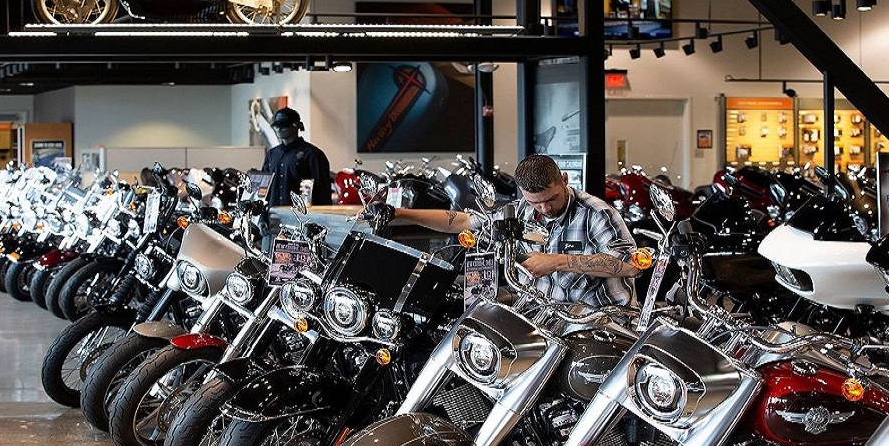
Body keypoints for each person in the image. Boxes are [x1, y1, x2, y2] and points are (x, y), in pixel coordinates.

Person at [368, 153, 640, 307]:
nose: (544, 208)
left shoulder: (596, 213)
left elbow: (630, 265)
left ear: (565, 180)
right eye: (535, 202)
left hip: (599, 322)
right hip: (546, 317)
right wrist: (399, 213)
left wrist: (558, 262)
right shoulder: (520, 211)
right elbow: (462, 221)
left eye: (551, 199)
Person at [261, 107, 333, 207]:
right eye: (277, 126)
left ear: (295, 126)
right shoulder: (272, 155)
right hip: (273, 212)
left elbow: (322, 191)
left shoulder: (312, 154)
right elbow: (264, 187)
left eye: (284, 126)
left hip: (301, 214)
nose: (279, 129)